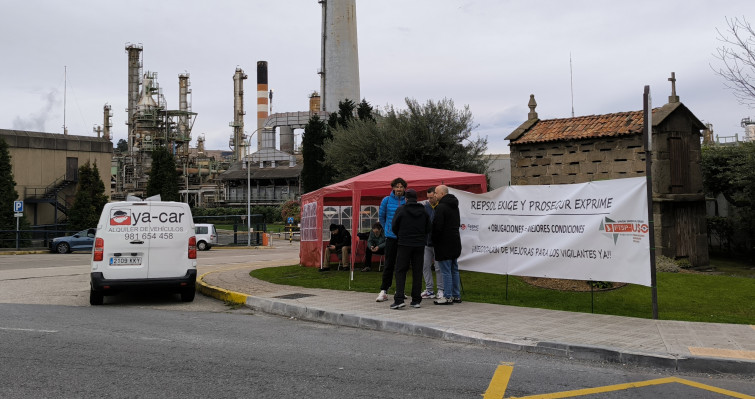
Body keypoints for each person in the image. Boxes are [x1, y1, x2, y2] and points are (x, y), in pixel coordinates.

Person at [390, 189, 431, 309]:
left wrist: (401, 235)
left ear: (406, 198)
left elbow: (394, 226)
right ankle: (416, 300)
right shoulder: (423, 211)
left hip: (404, 244)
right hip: (419, 244)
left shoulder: (401, 210)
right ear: (416, 198)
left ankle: (399, 299)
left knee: (400, 270)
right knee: (417, 271)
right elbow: (428, 228)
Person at [375, 177, 407, 302]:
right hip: (391, 238)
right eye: (397, 186)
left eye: (401, 187)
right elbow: (382, 217)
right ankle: (384, 290)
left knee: (402, 265)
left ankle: (400, 291)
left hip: (403, 238)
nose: (399, 189)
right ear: (393, 188)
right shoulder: (386, 200)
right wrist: (388, 230)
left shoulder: (407, 200)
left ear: (404, 188)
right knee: (388, 264)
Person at [432, 185, 462, 305]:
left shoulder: (441, 207)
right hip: (455, 241)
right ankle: (456, 295)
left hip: (444, 242)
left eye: (436, 193)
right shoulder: (455, 207)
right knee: (454, 269)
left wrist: (433, 239)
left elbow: (437, 227)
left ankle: (447, 296)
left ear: (442, 194)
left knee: (445, 271)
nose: (434, 195)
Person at [420, 186, 443, 299]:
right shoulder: (425, 207)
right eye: (428, 198)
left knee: (438, 267)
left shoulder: (441, 207)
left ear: (436, 194)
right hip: (426, 243)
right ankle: (429, 290)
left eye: (431, 197)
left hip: (438, 243)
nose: (430, 200)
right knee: (425, 265)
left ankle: (440, 290)